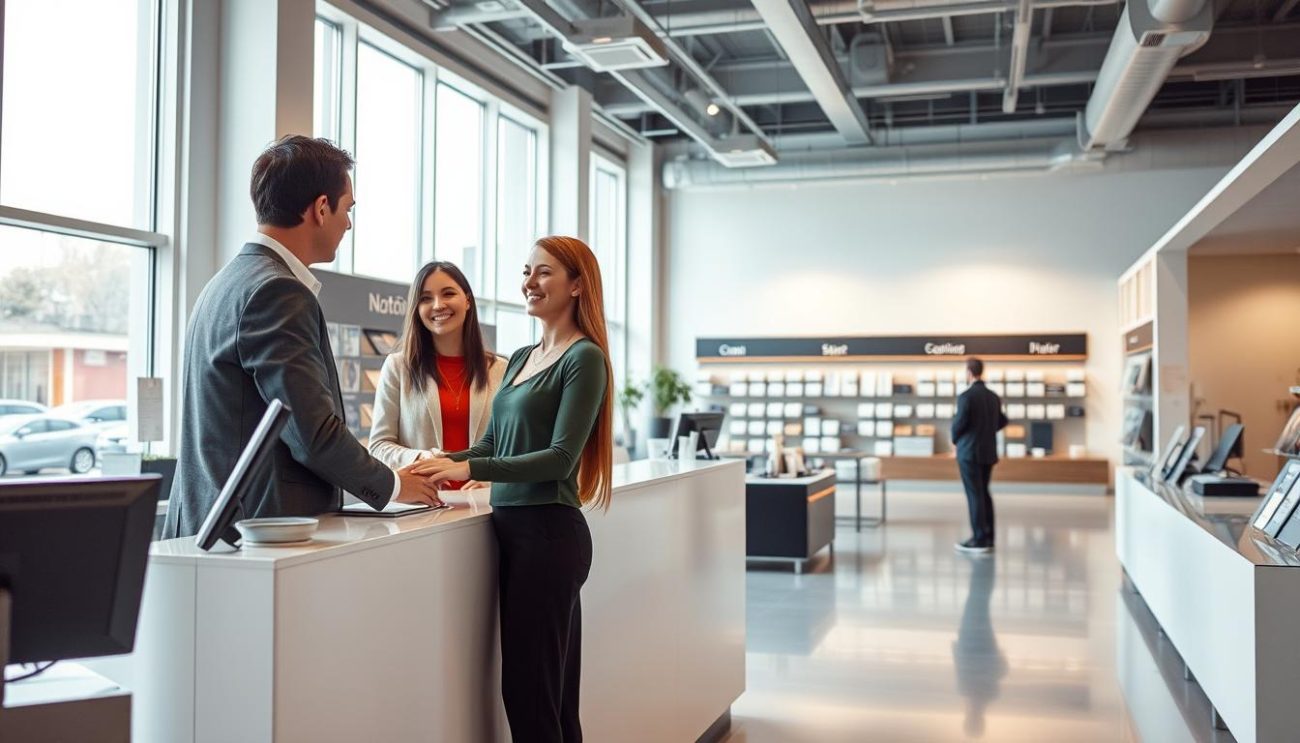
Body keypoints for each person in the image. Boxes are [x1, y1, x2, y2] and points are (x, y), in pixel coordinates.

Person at [162, 135, 442, 539]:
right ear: (321, 208)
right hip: (257, 536)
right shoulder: (277, 291)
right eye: (348, 209)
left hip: (211, 527)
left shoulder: (225, 283)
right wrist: (396, 485)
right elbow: (312, 433)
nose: (348, 223)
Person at [413, 236, 613, 743]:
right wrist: (445, 462)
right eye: (527, 271)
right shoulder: (522, 356)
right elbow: (491, 441)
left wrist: (468, 467)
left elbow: (559, 459)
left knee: (533, 696)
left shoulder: (583, 358)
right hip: (515, 532)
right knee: (547, 696)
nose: (529, 282)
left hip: (549, 533)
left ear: (576, 284)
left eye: (543, 273)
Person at [368, 261, 506, 488]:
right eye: (425, 298)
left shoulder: (501, 370)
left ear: (468, 300)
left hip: (485, 506)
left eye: (448, 293)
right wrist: (420, 458)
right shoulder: (398, 367)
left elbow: (515, 447)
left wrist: (492, 480)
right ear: (416, 308)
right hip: (424, 508)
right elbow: (379, 445)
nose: (438, 305)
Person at [951, 357, 1007, 554]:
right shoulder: (993, 396)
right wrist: (986, 431)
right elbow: (1002, 421)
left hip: (969, 452)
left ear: (968, 372)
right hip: (988, 451)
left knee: (974, 495)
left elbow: (958, 425)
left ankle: (978, 540)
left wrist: (956, 440)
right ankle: (988, 537)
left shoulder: (965, 396)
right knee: (984, 493)